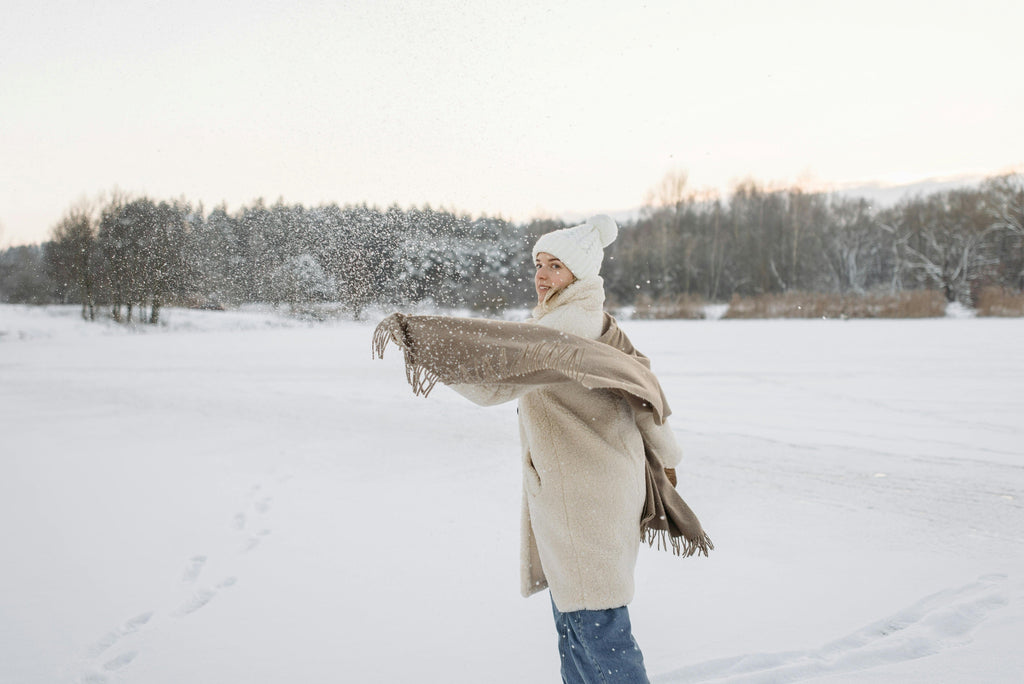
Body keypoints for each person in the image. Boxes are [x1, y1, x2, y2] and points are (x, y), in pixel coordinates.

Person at [373, 215, 710, 684]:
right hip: (596, 488)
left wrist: (424, 341)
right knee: (580, 623)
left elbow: (492, 383)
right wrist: (667, 457)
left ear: (582, 274)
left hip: (584, 498)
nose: (543, 276)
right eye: (539, 264)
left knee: (596, 626)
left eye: (556, 266)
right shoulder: (587, 322)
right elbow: (644, 398)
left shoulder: (562, 332)